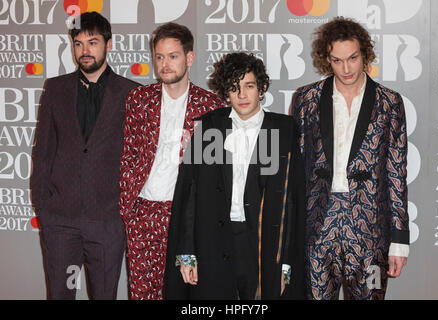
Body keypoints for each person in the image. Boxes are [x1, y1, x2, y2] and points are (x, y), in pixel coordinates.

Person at [164, 52, 306, 300]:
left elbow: (290, 202)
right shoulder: (210, 127)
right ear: (225, 93)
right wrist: (186, 253)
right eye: (234, 88)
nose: (242, 95)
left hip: (262, 244)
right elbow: (191, 192)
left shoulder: (282, 129)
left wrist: (285, 265)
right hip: (214, 241)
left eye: (249, 86)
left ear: (261, 89)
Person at [290, 17, 409, 300]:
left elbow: (396, 173)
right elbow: (295, 168)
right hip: (317, 226)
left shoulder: (390, 102)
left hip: (372, 232)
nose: (346, 68)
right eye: (337, 60)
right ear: (326, 59)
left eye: (353, 58)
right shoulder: (306, 98)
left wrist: (399, 242)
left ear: (364, 54)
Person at [31, 11, 140, 300]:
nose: (85, 51)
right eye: (78, 43)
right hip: (60, 222)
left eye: (92, 42)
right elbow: (43, 152)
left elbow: (139, 159)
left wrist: (123, 213)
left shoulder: (132, 94)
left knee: (104, 295)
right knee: (61, 294)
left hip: (107, 222)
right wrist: (44, 209)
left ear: (109, 44)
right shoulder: (55, 89)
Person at [119, 22, 225, 300]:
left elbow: (213, 172)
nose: (165, 64)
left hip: (185, 217)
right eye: (159, 57)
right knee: (142, 293)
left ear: (189, 58)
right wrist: (128, 208)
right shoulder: (139, 99)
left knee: (184, 293)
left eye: (173, 56)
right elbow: (128, 154)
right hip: (142, 213)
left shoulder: (211, 106)